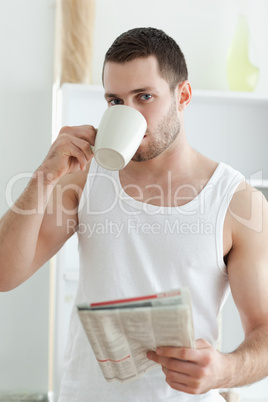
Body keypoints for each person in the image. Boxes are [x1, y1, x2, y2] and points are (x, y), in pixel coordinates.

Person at [0, 27, 268, 402]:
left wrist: (225, 370)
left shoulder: (237, 201)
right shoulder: (83, 177)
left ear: (183, 96)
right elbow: (4, 274)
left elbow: (264, 330)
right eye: (115, 102)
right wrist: (44, 175)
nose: (130, 114)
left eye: (145, 97)